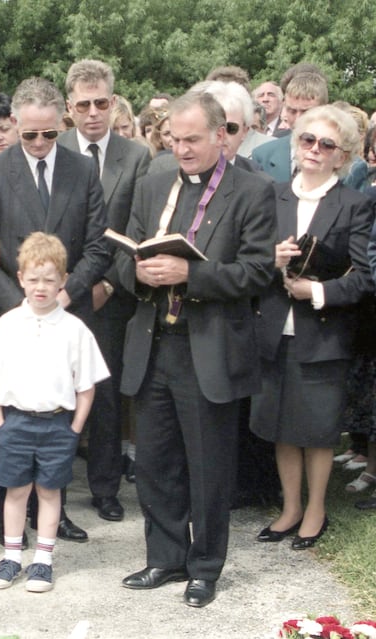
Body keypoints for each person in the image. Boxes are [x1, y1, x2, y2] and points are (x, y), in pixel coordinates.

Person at [116, 92, 276, 608]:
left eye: (191, 140)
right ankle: (165, 556)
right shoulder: (153, 182)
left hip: (207, 347)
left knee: (208, 467)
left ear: (220, 136)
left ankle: (205, 566)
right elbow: (122, 255)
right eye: (173, 139)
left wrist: (193, 274)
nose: (180, 149)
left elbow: (257, 272)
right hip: (153, 341)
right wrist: (136, 273)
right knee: (155, 462)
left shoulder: (252, 190)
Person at [0, 76, 110, 543]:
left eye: (48, 134)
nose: (37, 143)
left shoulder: (83, 169)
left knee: (55, 415)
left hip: (68, 314)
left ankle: (55, 509)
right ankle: (5, 510)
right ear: (14, 124)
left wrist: (64, 301)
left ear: (61, 125)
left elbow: (97, 246)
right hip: (13, 315)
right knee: (12, 415)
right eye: (28, 133)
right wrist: (23, 309)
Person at [250, 105, 374, 548]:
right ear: (295, 144)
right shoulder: (272, 195)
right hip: (273, 329)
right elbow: (247, 262)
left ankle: (316, 511)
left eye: (327, 145)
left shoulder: (354, 204)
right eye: (307, 140)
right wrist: (272, 260)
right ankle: (290, 508)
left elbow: (364, 276)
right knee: (281, 425)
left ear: (342, 156)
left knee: (317, 429)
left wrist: (316, 292)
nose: (315, 150)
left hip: (323, 334)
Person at [0, 232, 109, 592]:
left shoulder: (74, 329)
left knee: (49, 492)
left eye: (50, 279)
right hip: (15, 422)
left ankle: (43, 561)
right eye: (33, 279)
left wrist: (75, 427)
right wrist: (0, 424)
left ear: (63, 280)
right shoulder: (7, 325)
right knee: (15, 491)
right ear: (20, 279)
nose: (41, 287)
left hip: (57, 425)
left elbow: (87, 385)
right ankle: (11, 557)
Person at [59, 58, 151, 525]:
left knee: (106, 392)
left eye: (100, 103)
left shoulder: (135, 157)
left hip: (111, 296)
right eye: (83, 105)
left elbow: (136, 228)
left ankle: (106, 487)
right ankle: (53, 485)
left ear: (113, 103)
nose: (92, 113)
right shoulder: (53, 150)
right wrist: (68, 285)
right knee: (56, 393)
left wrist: (109, 284)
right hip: (59, 294)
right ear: (69, 107)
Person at [253, 72, 328, 182]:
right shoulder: (262, 156)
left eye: (306, 112)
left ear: (324, 110)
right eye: (292, 111)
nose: (298, 119)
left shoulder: (345, 164)